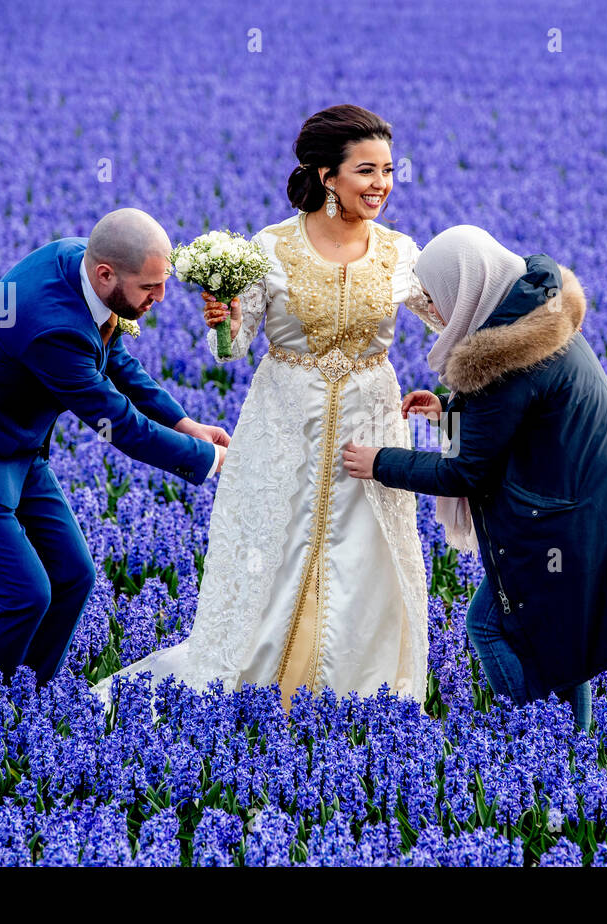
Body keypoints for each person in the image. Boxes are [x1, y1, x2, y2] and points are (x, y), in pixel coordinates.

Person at [92, 105, 443, 714]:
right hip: (285, 422)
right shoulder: (272, 247)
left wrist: (463, 390)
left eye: (388, 170)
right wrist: (222, 320)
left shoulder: (400, 252)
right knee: (275, 549)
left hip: (371, 424)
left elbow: (455, 323)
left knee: (369, 556)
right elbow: (233, 348)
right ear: (327, 176)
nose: (382, 184)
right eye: (367, 170)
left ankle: (364, 697)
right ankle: (262, 689)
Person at [343, 225, 607, 733]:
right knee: (559, 627)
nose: (435, 315)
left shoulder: (501, 361)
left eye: (438, 299)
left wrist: (381, 462)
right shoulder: (531, 321)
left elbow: (467, 471)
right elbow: (515, 420)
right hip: (597, 493)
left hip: (577, 507)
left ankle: (539, 738)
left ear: (468, 291)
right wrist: (449, 411)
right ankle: (574, 741)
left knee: (489, 624)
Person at [0, 208, 229, 688]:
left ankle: (29, 696)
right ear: (106, 274)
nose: (161, 297)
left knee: (74, 576)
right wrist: (210, 460)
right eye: (149, 287)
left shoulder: (78, 261)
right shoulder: (52, 328)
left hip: (15, 441)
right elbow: (119, 426)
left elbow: (114, 362)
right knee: (23, 594)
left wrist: (185, 423)